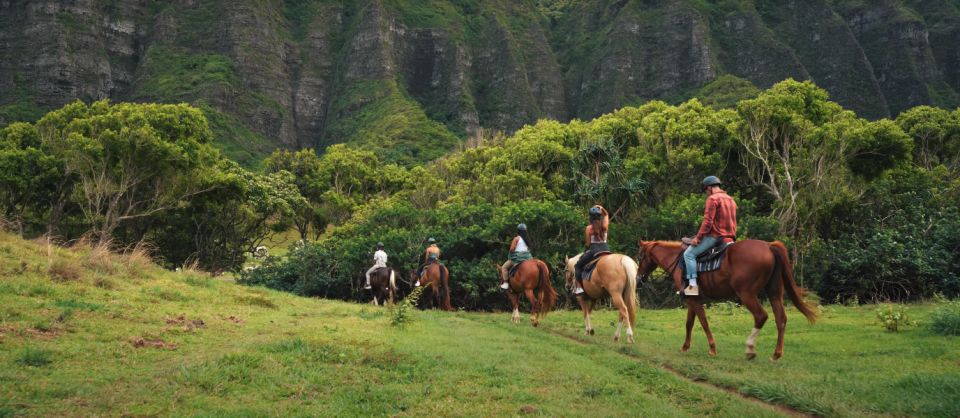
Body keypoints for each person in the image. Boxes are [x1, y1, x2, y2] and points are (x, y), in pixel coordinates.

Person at [683, 175, 738, 296]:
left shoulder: (713, 199)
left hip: (715, 237)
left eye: (706, 191)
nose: (706, 194)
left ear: (709, 188)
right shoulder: (731, 199)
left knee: (688, 254)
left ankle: (692, 286)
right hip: (730, 237)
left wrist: (698, 238)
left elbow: (708, 222)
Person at [573, 205, 609, 295]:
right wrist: (601, 207)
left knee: (577, 266)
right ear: (600, 216)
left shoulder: (589, 228)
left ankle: (579, 288)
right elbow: (606, 214)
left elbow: (588, 243)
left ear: (590, 218)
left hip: (594, 251)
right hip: (606, 250)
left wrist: (586, 249)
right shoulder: (605, 226)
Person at [499, 223, 533, 290]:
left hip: (517, 258)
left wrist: (511, 253)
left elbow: (511, 249)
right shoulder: (527, 239)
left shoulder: (516, 238)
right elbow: (528, 249)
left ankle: (506, 283)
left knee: (504, 267)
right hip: (527, 258)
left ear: (518, 231)